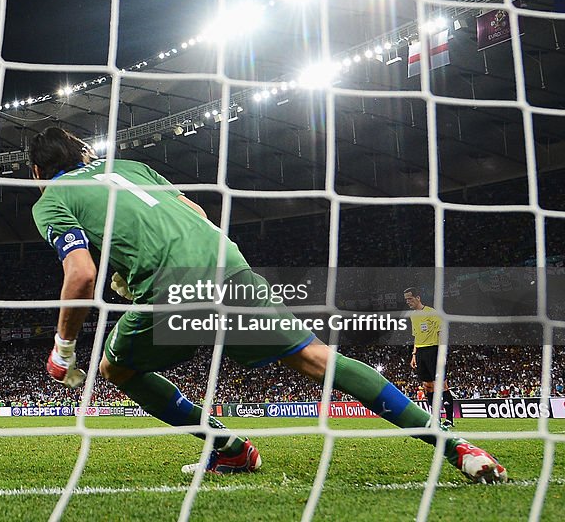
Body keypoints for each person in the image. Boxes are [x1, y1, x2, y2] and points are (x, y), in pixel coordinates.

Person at [28, 127, 506, 483]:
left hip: (174, 288)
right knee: (315, 358)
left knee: (116, 369)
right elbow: (193, 212)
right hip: (228, 263)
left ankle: (230, 447)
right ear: (83, 152)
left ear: (37, 173)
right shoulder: (131, 167)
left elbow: (82, 274)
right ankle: (457, 447)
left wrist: (63, 349)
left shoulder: (51, 197)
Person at [405, 287, 455, 426]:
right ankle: (435, 418)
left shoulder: (432, 313)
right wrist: (414, 354)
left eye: (410, 298)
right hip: (420, 352)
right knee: (427, 386)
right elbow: (416, 336)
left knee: (442, 385)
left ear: (418, 297)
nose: (408, 302)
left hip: (433, 350)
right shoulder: (412, 315)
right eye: (406, 299)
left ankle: (449, 419)